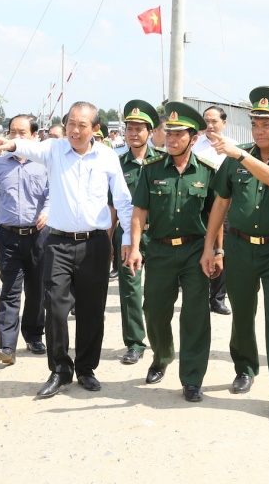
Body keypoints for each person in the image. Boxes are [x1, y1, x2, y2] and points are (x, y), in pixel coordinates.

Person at [0, 101, 133, 398]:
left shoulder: (107, 157)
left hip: (95, 243)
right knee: (54, 308)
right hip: (59, 243)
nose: (75, 130)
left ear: (95, 129)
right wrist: (9, 143)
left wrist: (129, 241)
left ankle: (86, 369)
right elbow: (26, 147)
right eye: (70, 124)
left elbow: (122, 201)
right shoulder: (54, 149)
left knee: (92, 310)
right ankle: (59, 370)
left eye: (82, 125)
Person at [200, 87, 269, 416]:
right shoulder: (238, 159)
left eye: (267, 125)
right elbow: (221, 202)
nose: (259, 131)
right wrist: (211, 247)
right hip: (240, 246)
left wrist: (239, 155)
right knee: (243, 314)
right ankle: (245, 369)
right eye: (255, 125)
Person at [126, 102, 219, 402]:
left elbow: (216, 215)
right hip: (160, 251)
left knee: (195, 316)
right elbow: (139, 210)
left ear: (193, 138)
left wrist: (216, 250)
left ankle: (192, 378)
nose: (172, 140)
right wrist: (136, 247)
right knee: (154, 310)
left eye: (180, 135)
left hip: (195, 251)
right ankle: (162, 355)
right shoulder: (151, 170)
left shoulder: (206, 172)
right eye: (169, 134)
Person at [0, 114, 50, 364]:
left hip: (39, 236)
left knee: (37, 291)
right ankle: (6, 345)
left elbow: (53, 195)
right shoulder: (1, 165)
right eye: (13, 132)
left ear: (35, 136)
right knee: (10, 291)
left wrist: (48, 211)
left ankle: (34, 335)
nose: (16, 137)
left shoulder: (44, 164)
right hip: (8, 236)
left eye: (22, 133)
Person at [112, 99, 163, 365]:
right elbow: (110, 204)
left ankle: (157, 339)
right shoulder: (117, 163)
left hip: (159, 236)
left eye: (139, 129)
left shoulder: (163, 161)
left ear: (151, 132)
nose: (134, 133)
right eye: (129, 128)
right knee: (130, 290)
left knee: (155, 292)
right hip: (127, 237)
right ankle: (134, 343)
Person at [193, 105, 232, 316]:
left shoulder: (233, 148)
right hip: (198, 204)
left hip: (224, 205)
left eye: (214, 121)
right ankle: (199, 293)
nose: (209, 125)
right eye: (206, 121)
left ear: (224, 123)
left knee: (221, 250)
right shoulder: (194, 144)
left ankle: (217, 298)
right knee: (201, 247)